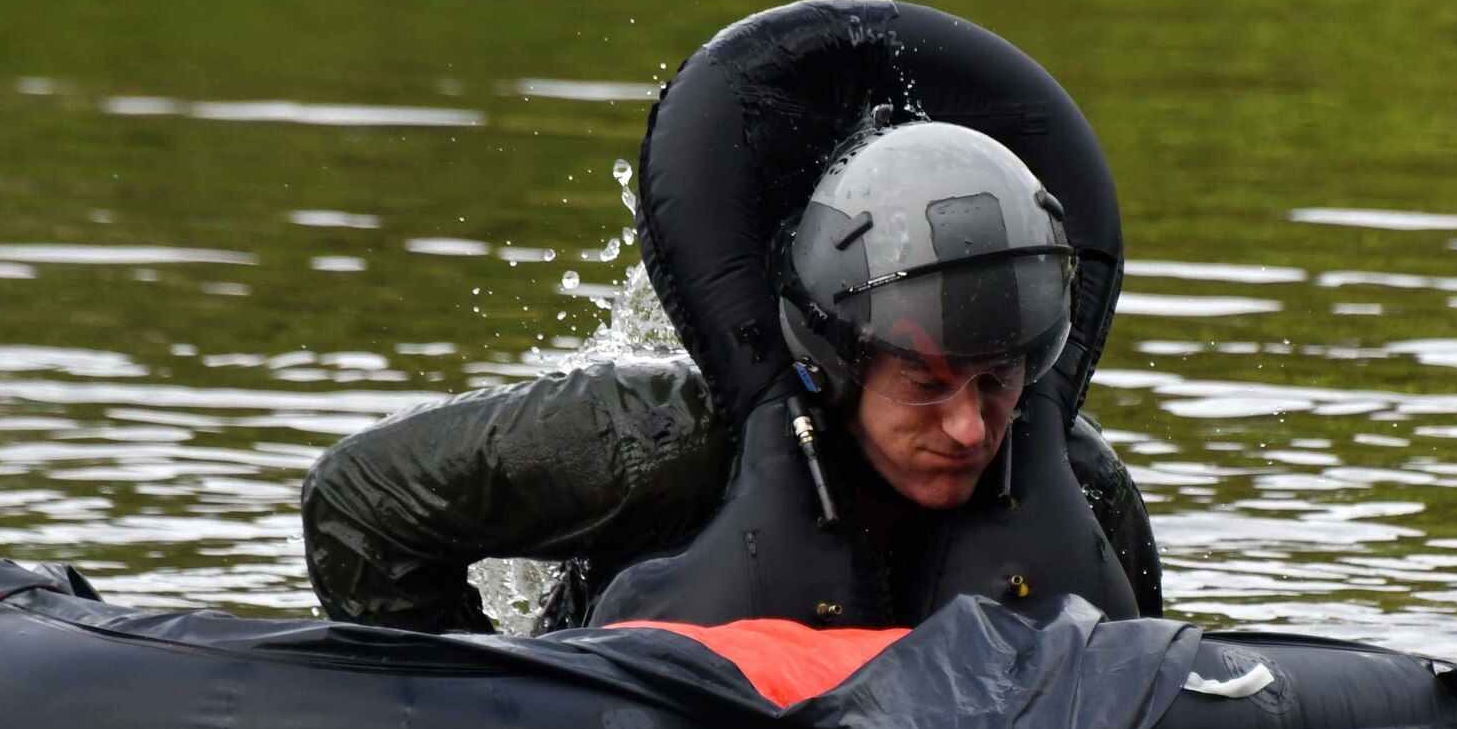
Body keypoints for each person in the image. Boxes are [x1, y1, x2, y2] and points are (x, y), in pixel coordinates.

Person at [302, 120, 1161, 635]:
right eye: (927, 384)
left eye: (998, 380)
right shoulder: (659, 440)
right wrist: (483, 717)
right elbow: (360, 501)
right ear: (837, 361)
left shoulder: (1081, 491)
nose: (972, 429)